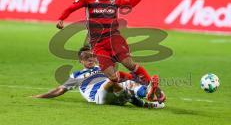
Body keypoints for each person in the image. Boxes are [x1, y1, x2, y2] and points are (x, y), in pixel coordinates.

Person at [56, 0, 157, 95]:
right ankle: (136, 82)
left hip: (114, 39)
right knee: (112, 77)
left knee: (128, 64)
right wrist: (62, 18)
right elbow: (72, 7)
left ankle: (150, 87)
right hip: (98, 44)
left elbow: (130, 4)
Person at [32, 47, 166, 109]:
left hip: (115, 92)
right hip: (99, 97)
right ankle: (143, 100)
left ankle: (149, 95)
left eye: (92, 56)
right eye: (86, 58)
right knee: (112, 82)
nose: (90, 59)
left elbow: (126, 78)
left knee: (129, 82)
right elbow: (59, 90)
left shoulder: (103, 67)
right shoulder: (76, 75)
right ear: (80, 61)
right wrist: (38, 96)